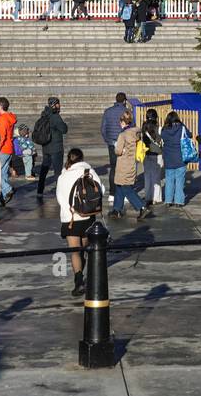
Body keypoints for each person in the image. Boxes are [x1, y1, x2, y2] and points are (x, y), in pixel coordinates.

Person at [56, 148, 104, 297]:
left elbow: (59, 197)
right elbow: (100, 189)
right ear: (82, 158)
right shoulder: (89, 171)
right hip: (87, 215)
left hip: (71, 218)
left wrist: (68, 209)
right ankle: (85, 271)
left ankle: (78, 281)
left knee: (74, 250)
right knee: (83, 248)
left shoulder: (63, 176)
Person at [111, 114, 149, 219]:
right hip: (131, 163)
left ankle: (141, 206)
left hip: (123, 164)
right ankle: (116, 209)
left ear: (123, 122)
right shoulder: (135, 133)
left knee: (125, 187)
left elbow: (118, 151)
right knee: (119, 185)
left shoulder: (123, 135)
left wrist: (117, 147)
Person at [35, 95, 69, 199]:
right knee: (57, 171)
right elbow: (64, 129)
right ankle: (60, 191)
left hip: (46, 146)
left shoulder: (44, 114)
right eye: (58, 103)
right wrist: (64, 124)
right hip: (56, 147)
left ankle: (40, 190)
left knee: (44, 169)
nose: (60, 105)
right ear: (55, 105)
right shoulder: (55, 116)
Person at [101, 92, 129, 202]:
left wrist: (108, 140)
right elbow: (132, 127)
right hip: (125, 143)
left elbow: (103, 129)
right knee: (124, 168)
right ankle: (125, 193)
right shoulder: (127, 112)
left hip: (112, 143)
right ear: (124, 101)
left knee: (113, 168)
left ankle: (112, 193)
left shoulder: (108, 112)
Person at [161, 110, 188, 206]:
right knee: (180, 181)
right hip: (180, 157)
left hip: (168, 157)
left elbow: (162, 138)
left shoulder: (164, 129)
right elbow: (189, 135)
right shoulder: (182, 128)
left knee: (169, 180)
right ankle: (179, 201)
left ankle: (168, 200)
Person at [0, 96, 17, 206]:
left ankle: (7, 189)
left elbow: (2, 136)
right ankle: (2, 197)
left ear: (1, 106)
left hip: (3, 149)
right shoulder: (9, 117)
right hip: (9, 148)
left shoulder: (2, 119)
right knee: (3, 173)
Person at [140, 107, 164, 204]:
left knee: (147, 176)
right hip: (157, 154)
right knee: (156, 177)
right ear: (156, 117)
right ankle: (156, 198)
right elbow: (162, 142)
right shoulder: (159, 128)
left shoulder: (143, 128)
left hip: (146, 154)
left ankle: (148, 196)